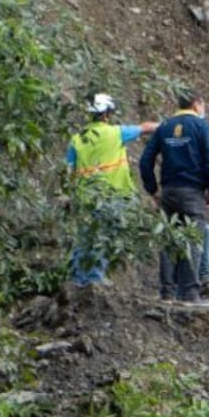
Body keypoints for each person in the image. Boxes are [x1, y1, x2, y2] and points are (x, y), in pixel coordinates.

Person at [139, 89, 209, 307]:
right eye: (202, 104)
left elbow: (145, 160)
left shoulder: (165, 126)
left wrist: (152, 189)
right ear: (197, 103)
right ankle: (190, 294)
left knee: (169, 239)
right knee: (193, 238)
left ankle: (167, 293)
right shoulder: (202, 126)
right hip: (192, 191)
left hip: (168, 191)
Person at [66, 93, 159, 286]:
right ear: (107, 114)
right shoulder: (116, 132)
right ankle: (94, 282)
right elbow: (145, 128)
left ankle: (77, 281)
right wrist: (171, 125)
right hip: (113, 197)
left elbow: (69, 171)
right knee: (103, 239)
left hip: (85, 198)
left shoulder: (76, 139)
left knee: (85, 239)